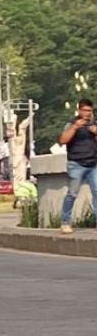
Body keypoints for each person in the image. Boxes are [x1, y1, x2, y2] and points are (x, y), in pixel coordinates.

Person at [58, 98, 97, 234]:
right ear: (79, 110)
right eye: (85, 110)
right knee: (72, 194)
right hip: (76, 164)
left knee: (96, 192)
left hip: (93, 163)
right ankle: (65, 222)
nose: (87, 113)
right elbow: (63, 140)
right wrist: (75, 127)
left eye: (90, 111)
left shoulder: (94, 123)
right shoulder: (71, 123)